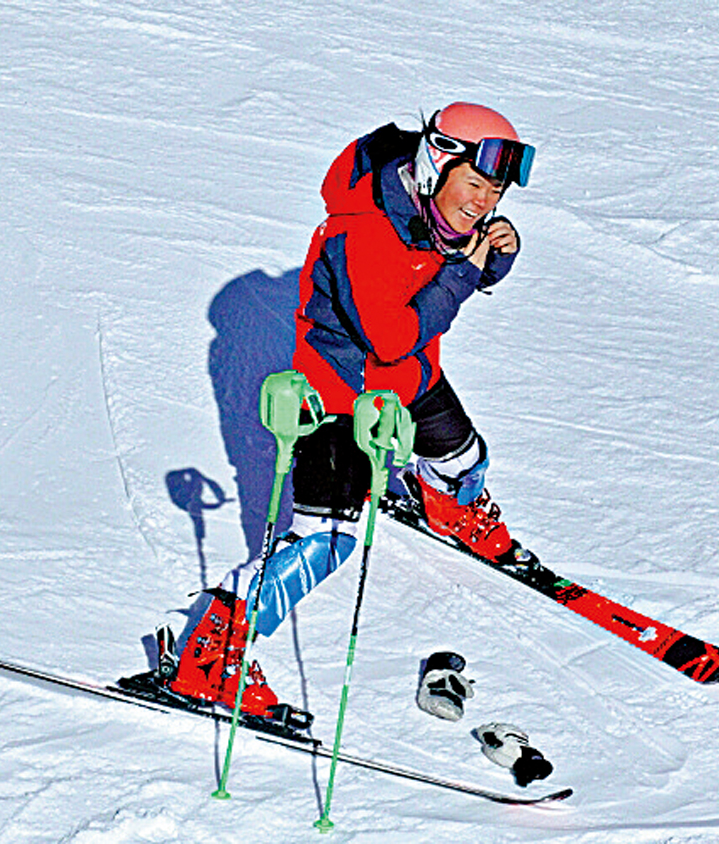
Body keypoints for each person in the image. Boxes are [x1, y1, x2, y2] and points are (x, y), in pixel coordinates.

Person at [146, 103, 535, 711]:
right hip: (339, 396)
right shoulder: (363, 231)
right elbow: (390, 334)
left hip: (407, 381)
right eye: (475, 183)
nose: (484, 201)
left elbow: (455, 277)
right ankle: (209, 649)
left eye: (496, 191)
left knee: (465, 458)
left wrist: (494, 258)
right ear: (436, 164)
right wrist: (466, 272)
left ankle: (449, 508)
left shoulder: (440, 218)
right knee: (326, 542)